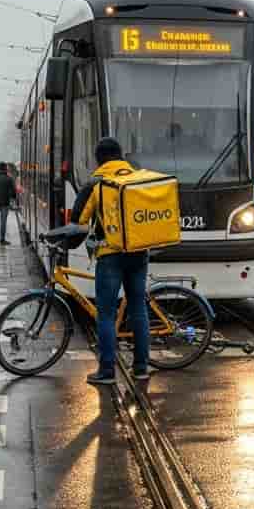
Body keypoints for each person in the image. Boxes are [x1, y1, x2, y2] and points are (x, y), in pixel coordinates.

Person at [72, 137, 151, 386]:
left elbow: (78, 220)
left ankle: (107, 370)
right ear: (121, 155)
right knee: (138, 309)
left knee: (106, 314)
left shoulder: (96, 183)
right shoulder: (137, 177)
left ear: (99, 158)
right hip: (138, 252)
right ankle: (141, 368)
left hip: (110, 255)